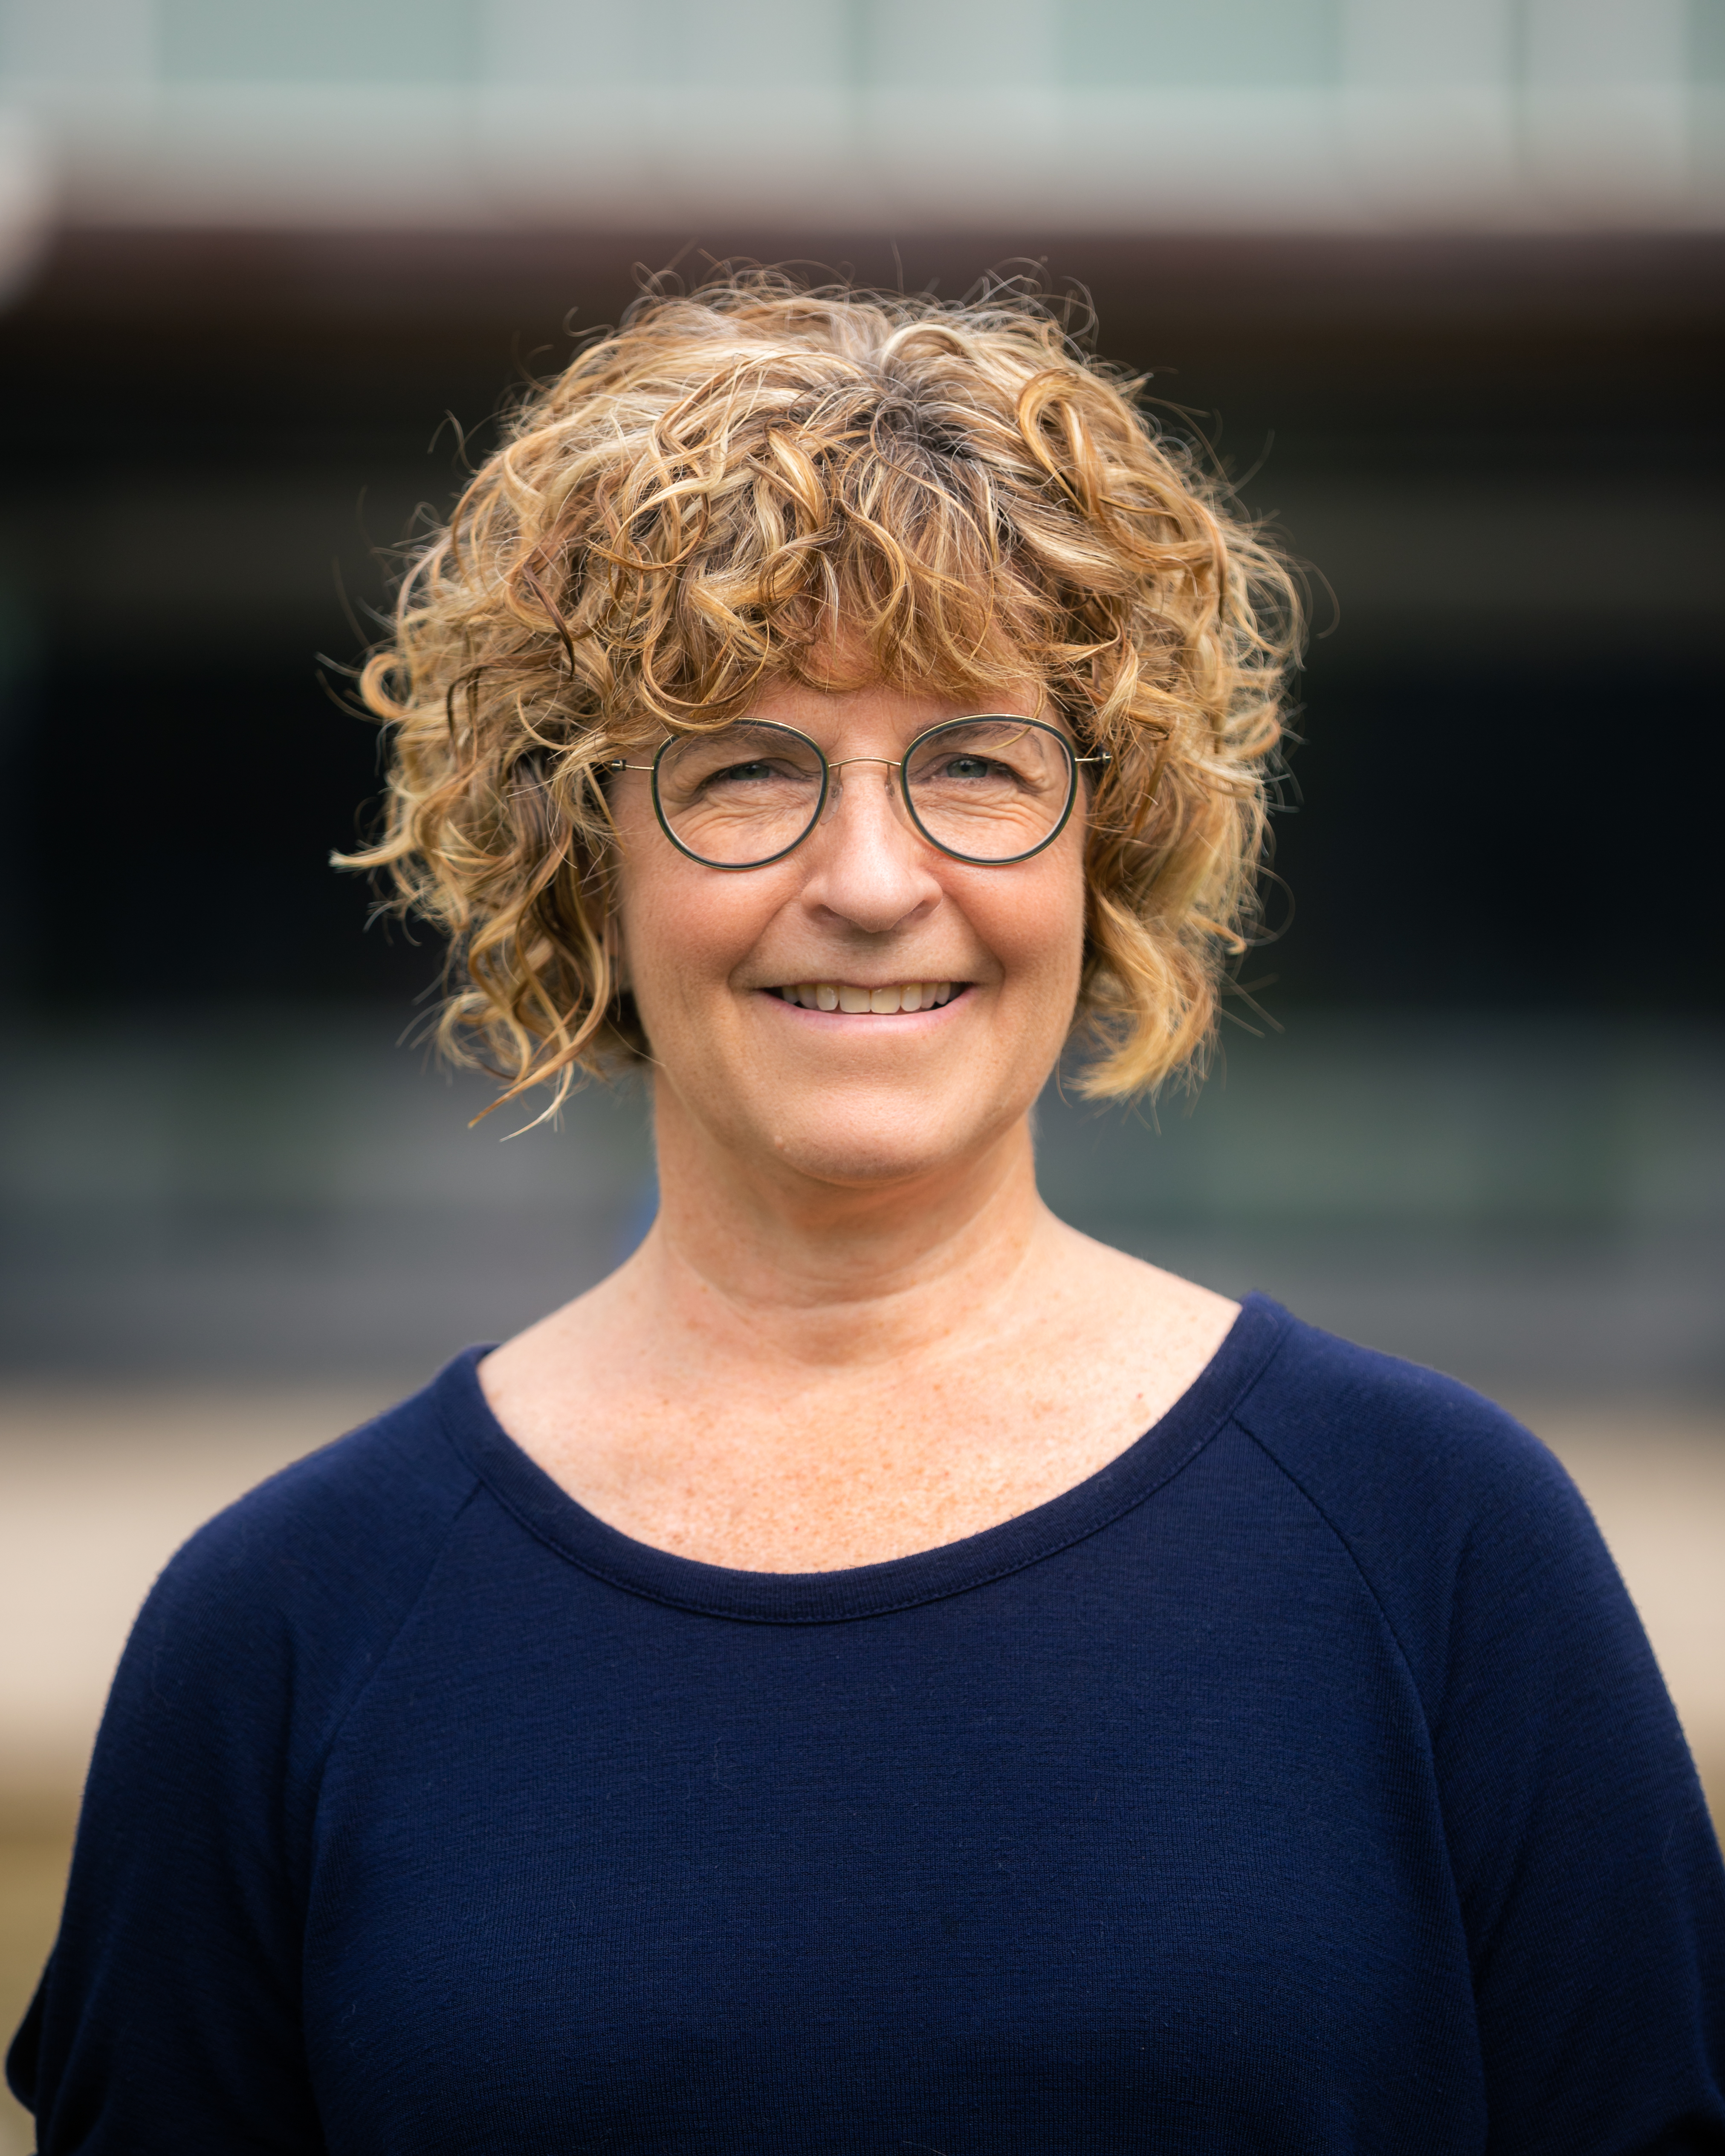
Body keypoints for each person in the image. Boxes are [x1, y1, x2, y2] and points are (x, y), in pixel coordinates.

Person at [10, 278, 1723, 2150]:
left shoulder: (1442, 1551)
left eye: (976, 762)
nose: (873, 877)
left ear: (1108, 830)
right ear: (583, 852)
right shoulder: (281, 1632)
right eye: (746, 768)